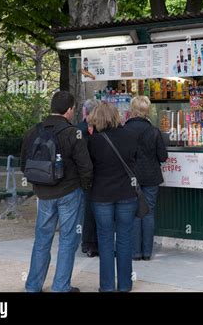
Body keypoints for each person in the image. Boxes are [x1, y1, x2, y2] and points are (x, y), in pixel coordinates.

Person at [20, 91, 93, 292]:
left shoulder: (33, 131)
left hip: (43, 194)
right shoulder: (73, 133)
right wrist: (84, 187)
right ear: (69, 110)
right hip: (70, 192)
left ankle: (33, 285)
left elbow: (23, 164)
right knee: (68, 239)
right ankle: (61, 286)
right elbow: (85, 166)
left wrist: (40, 184)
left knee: (42, 239)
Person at [87, 102, 139, 292]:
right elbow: (136, 161)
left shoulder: (93, 141)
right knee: (125, 239)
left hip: (101, 195)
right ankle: (125, 285)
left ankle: (107, 286)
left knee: (105, 241)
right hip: (127, 193)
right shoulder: (130, 136)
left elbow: (88, 168)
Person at [124, 96, 168, 261]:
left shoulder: (124, 130)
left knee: (135, 212)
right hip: (151, 177)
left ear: (132, 110)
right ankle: (147, 252)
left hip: (130, 178)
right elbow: (163, 157)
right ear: (147, 110)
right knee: (148, 212)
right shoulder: (154, 131)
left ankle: (135, 252)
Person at [77, 98, 99, 257]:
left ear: (84, 112)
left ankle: (87, 243)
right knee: (96, 210)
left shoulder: (77, 130)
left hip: (83, 177)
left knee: (87, 211)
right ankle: (93, 243)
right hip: (98, 176)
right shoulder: (102, 130)